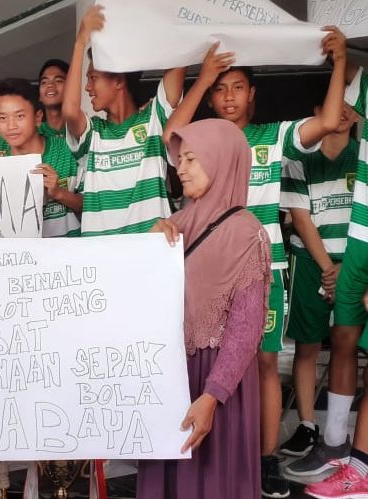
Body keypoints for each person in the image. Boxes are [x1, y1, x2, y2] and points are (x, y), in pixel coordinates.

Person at [163, 27, 347, 497]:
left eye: (237, 86)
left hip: (262, 267)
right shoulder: (200, 146)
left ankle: (262, 461)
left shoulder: (275, 136)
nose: (228, 96)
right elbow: (172, 136)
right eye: (220, 89)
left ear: (254, 94)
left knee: (262, 362)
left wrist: (339, 62)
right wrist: (201, 78)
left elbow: (328, 120)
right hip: (208, 272)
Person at [141, 118, 271, 499]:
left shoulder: (248, 234)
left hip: (215, 384)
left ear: (220, 160)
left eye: (191, 159)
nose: (180, 168)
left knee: (211, 479)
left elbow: (245, 331)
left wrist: (211, 397)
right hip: (172, 375)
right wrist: (148, 244)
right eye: (179, 160)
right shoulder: (175, 224)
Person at [281, 104, 359, 477]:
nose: (341, 114)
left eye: (350, 108)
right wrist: (330, 269)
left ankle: (342, 439)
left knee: (346, 343)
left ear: (358, 115)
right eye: (333, 107)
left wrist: (346, 269)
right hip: (313, 261)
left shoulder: (362, 156)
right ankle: (309, 426)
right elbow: (300, 217)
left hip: (356, 262)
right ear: (317, 112)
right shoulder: (299, 158)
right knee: (308, 345)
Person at [62, 5, 184, 236]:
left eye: (93, 78)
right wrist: (80, 43)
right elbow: (69, 111)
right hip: (103, 260)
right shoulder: (93, 134)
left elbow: (180, 56)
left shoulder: (153, 121)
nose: (87, 87)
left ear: (118, 81)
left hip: (150, 253)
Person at [304, 61, 368, 499]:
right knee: (342, 341)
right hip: (352, 251)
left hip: (357, 254)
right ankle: (336, 448)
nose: (344, 108)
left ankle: (357, 467)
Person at [0, 78, 82, 237]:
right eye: (2, 118)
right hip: (25, 258)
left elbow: (94, 205)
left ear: (38, 117)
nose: (11, 126)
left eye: (19, 116)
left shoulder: (67, 150)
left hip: (70, 256)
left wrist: (59, 193)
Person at [37, 59, 68, 138]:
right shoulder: (32, 134)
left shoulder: (82, 131)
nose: (50, 85)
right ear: (40, 96)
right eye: (44, 82)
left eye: (58, 81)